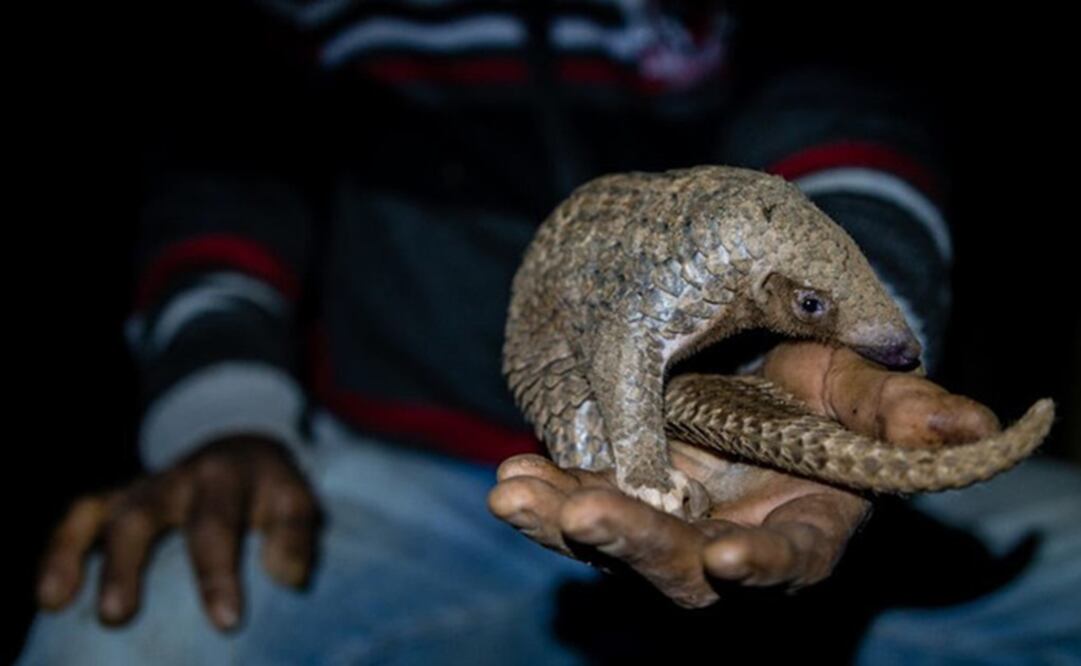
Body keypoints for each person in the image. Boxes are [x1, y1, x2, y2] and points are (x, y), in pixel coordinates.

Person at [19, 1, 1081, 663]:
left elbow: (843, 102)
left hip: (731, 411)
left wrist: (839, 359)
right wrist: (222, 414)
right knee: (119, 641)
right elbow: (226, 157)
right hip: (400, 463)